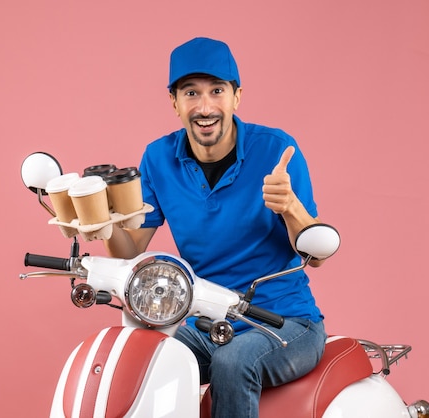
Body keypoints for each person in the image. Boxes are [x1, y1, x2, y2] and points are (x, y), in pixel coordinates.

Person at [103, 37, 328, 417]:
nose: (205, 107)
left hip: (287, 322)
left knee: (234, 361)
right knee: (142, 355)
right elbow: (129, 249)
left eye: (217, 91)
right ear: (174, 102)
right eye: (191, 93)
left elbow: (316, 255)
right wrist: (104, 226)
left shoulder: (276, 150)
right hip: (208, 319)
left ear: (236, 97)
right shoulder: (158, 158)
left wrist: (290, 207)